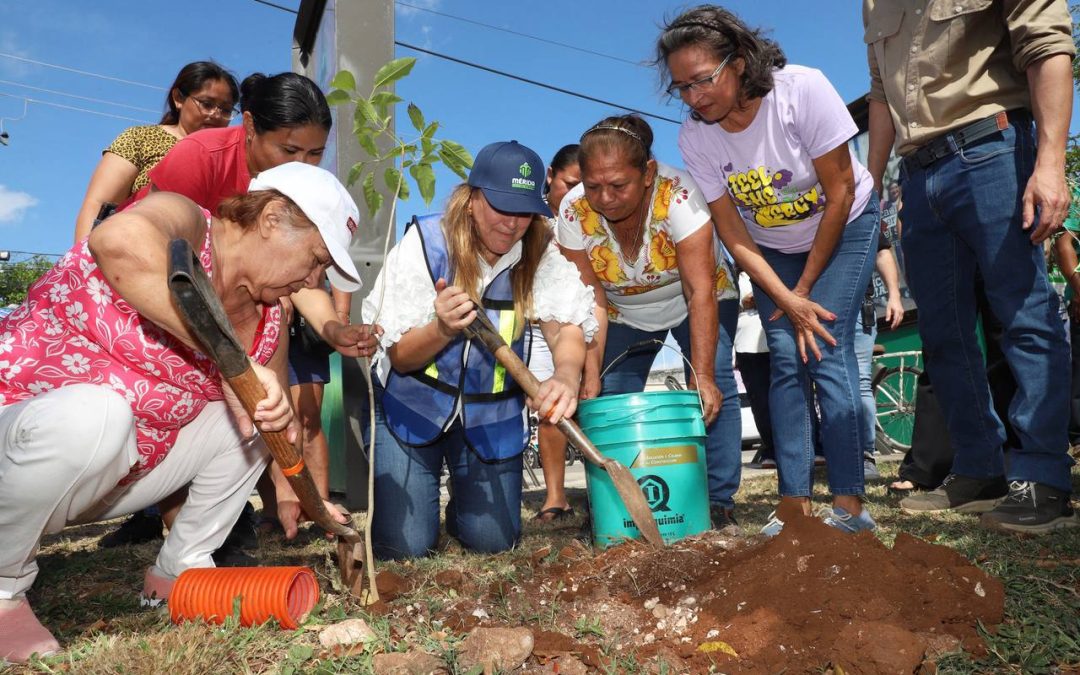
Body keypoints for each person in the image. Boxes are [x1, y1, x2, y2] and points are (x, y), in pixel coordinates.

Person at [0, 162, 360, 663]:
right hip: (21, 438)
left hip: (110, 473)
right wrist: (232, 359)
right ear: (273, 218)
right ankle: (2, 588)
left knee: (259, 412)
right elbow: (115, 242)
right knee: (99, 414)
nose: (312, 279)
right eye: (316, 259)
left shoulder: (271, 316)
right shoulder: (187, 222)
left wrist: (296, 493)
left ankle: (179, 570)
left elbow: (273, 425)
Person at [111, 71, 374, 554]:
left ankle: (211, 534)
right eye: (290, 151)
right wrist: (232, 359)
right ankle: (180, 529)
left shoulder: (290, 230)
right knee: (183, 403)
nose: (304, 165)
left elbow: (295, 275)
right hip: (165, 309)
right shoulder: (202, 159)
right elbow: (152, 253)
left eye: (315, 155)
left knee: (265, 410)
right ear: (250, 127)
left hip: (240, 311)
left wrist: (331, 327)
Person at [657, 5, 880, 534]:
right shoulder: (697, 137)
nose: (694, 98)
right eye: (681, 88)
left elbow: (840, 191)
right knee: (784, 358)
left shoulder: (801, 91)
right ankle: (793, 506)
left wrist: (802, 293)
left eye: (703, 80)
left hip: (844, 224)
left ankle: (850, 505)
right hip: (770, 248)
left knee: (825, 344)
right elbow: (733, 234)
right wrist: (784, 294)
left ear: (739, 62)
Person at [864, 0, 1078, 532]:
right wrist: (870, 192)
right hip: (917, 174)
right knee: (942, 335)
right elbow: (880, 96)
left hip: (993, 145)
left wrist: (1050, 164)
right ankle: (980, 469)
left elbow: (1048, 45)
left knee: (1023, 313)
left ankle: (1043, 476)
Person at [362, 140, 596, 559]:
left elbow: (567, 327)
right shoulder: (427, 242)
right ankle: (420, 503)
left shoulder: (539, 249)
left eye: (524, 212)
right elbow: (401, 357)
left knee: (496, 543)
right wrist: (441, 328)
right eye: (501, 208)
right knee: (404, 548)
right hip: (413, 406)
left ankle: (463, 509)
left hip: (491, 416)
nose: (512, 225)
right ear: (472, 200)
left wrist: (565, 374)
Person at [556, 114, 742, 528]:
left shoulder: (679, 196)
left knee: (710, 392)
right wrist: (590, 375)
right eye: (593, 186)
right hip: (622, 310)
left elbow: (699, 291)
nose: (604, 198)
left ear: (647, 174)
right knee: (608, 398)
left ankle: (718, 499)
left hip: (698, 297)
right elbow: (592, 299)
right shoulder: (572, 212)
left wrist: (704, 373)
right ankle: (618, 499)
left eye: (618, 185)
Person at [73, 61, 240, 243]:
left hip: (201, 265)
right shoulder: (140, 138)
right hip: (129, 254)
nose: (216, 114)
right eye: (207, 104)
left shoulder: (231, 159)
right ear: (178, 98)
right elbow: (98, 204)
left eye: (225, 109)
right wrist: (85, 264)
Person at [530, 143, 582, 522]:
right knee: (543, 409)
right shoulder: (528, 218)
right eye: (570, 183)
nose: (577, 194)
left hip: (574, 322)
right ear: (550, 176)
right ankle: (553, 495)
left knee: (569, 405)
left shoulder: (587, 218)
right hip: (533, 321)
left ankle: (568, 494)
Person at [855, 225, 905, 481]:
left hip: (857, 308)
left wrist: (894, 296)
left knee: (860, 381)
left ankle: (865, 455)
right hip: (813, 306)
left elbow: (882, 251)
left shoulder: (858, 204)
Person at [734, 271, 775, 470]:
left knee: (792, 397)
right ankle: (771, 450)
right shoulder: (733, 275)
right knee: (760, 402)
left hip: (778, 339)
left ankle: (812, 445)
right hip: (745, 345)